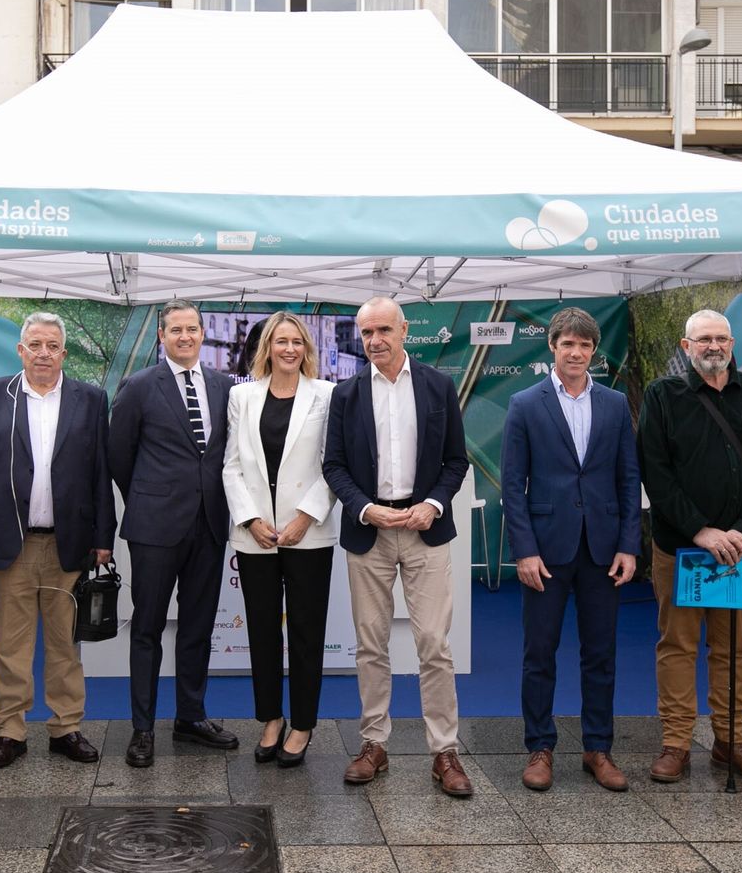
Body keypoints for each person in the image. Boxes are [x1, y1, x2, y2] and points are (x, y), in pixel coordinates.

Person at [323, 296, 473, 798]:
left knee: (434, 643)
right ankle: (374, 744)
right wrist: (365, 508)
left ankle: (444, 752)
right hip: (370, 531)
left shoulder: (438, 386)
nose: (375, 341)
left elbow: (456, 461)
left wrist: (432, 503)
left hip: (424, 527)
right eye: (366, 333)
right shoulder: (344, 395)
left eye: (384, 330)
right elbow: (334, 467)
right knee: (370, 644)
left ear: (405, 329)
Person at [638, 309, 742, 785]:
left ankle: (730, 741)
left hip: (739, 552)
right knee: (678, 646)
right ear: (686, 347)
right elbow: (655, 475)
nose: (713, 346)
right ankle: (676, 744)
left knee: (732, 649)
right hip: (682, 550)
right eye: (703, 339)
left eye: (721, 338)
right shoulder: (663, 397)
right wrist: (701, 530)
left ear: (732, 344)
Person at [0, 312, 116, 768]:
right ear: (20, 350)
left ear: (64, 353)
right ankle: (10, 731)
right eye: (35, 344)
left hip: (68, 544)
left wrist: (103, 537)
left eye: (52, 345)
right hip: (10, 543)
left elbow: (100, 473)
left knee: (65, 645)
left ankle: (65, 726)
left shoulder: (90, 399)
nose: (44, 353)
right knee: (10, 647)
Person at [501, 307, 641, 793]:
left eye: (585, 345)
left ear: (594, 352)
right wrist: (524, 551)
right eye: (568, 344)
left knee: (600, 654)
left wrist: (629, 544)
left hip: (603, 551)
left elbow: (628, 478)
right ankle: (539, 747)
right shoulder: (524, 404)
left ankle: (598, 749)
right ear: (553, 348)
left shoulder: (616, 404)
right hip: (546, 550)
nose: (577, 352)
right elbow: (511, 485)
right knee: (539, 653)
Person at [109, 299, 239, 768]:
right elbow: (119, 456)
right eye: (175, 330)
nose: (185, 337)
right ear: (161, 336)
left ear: (203, 335)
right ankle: (142, 729)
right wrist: (150, 497)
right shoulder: (139, 386)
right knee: (146, 629)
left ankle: (191, 717)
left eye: (192, 329)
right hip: (155, 529)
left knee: (199, 626)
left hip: (208, 525)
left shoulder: (226, 387)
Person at [223, 311, 338, 768]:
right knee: (263, 632)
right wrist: (250, 519)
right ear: (266, 347)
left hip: (307, 534)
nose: (288, 349)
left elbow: (335, 463)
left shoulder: (327, 395)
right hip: (257, 537)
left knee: (308, 634)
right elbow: (232, 464)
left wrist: (306, 517)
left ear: (306, 349)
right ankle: (270, 719)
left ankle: (304, 724)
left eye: (296, 342)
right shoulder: (241, 396)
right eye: (280, 341)